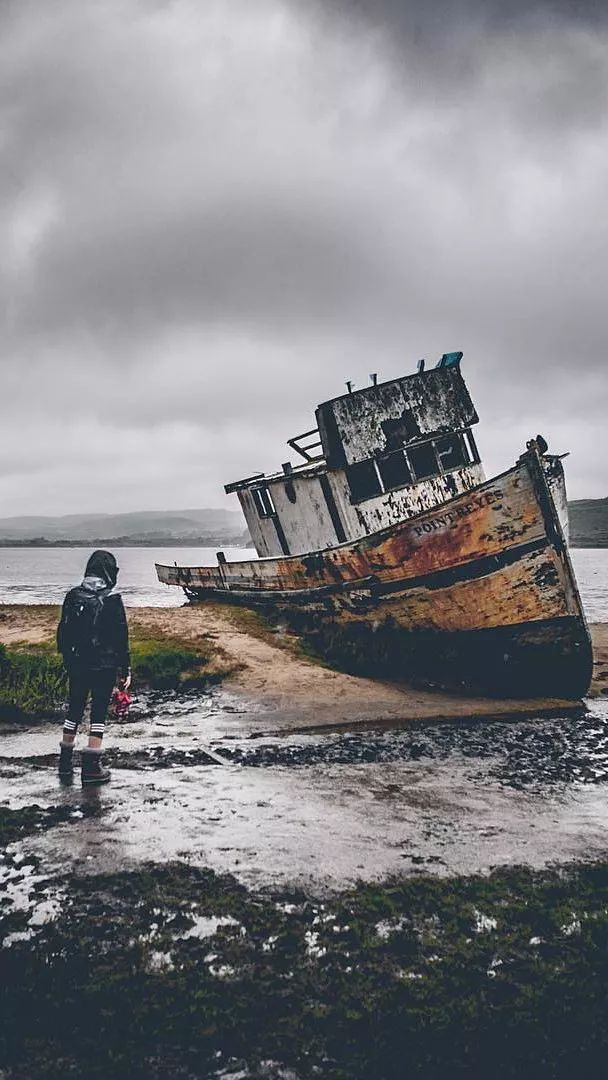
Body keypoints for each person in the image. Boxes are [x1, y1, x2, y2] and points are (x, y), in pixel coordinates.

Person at [56, 550, 131, 786]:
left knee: (74, 708)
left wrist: (68, 660)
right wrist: (125, 669)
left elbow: (63, 632)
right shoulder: (112, 599)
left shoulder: (73, 596)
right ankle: (91, 767)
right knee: (98, 713)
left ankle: (65, 762)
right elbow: (121, 638)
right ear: (110, 572)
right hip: (104, 665)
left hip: (77, 663)